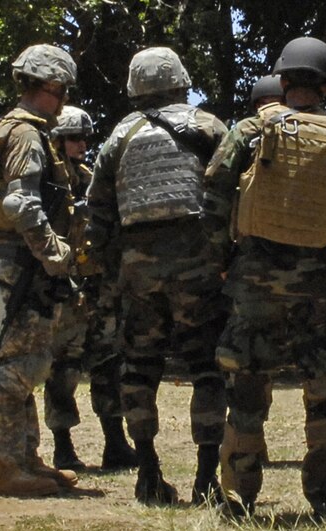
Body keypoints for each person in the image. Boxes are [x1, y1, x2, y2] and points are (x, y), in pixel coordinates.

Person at [207, 37, 326, 521]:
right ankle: (325, 497)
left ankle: (239, 496)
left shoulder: (250, 130)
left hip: (255, 282)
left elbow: (215, 194)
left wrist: (222, 258)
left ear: (282, 81)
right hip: (323, 287)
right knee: (322, 387)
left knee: (246, 388)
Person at [83, 47, 231, 505]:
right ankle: (207, 479)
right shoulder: (207, 126)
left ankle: (147, 473)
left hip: (138, 267)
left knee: (140, 367)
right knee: (207, 366)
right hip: (198, 261)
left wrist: (107, 273)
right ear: (181, 80)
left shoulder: (119, 137)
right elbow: (233, 190)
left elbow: (98, 213)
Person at [0, 43, 84, 497]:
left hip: (23, 258)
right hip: (28, 261)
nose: (63, 100)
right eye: (61, 90)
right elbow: (23, 202)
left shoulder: (8, 128)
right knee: (18, 367)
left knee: (31, 361)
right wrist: (54, 253)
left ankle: (26, 457)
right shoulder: (25, 134)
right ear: (51, 85)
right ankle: (4, 465)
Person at [44, 105, 141, 472]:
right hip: (64, 288)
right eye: (73, 137)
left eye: (85, 137)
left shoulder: (91, 178)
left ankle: (115, 443)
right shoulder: (48, 183)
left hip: (99, 286)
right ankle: (63, 446)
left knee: (108, 363)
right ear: (56, 141)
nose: (82, 143)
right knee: (63, 369)